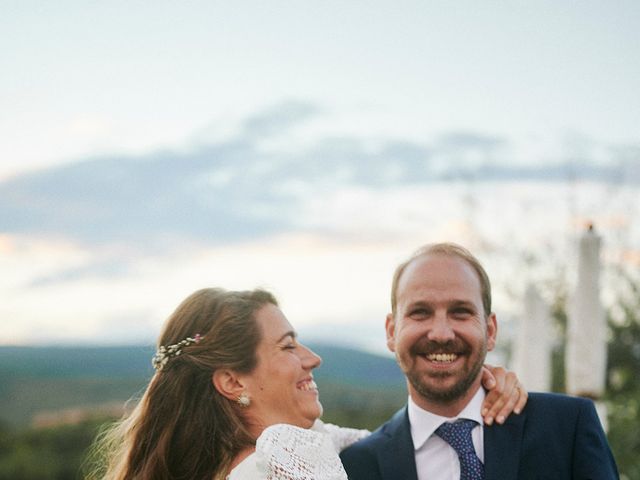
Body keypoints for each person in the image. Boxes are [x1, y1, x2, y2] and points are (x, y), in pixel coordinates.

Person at [89, 287, 527, 480]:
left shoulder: (233, 464)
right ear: (230, 380)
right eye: (288, 346)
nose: (312, 359)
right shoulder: (286, 451)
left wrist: (476, 391)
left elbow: (388, 445)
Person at [340, 242, 619, 480]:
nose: (441, 333)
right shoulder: (358, 466)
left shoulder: (567, 428)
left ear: (490, 330)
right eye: (420, 312)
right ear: (391, 332)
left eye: (460, 312)